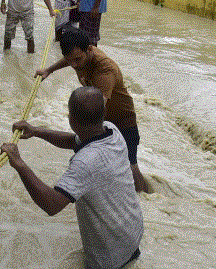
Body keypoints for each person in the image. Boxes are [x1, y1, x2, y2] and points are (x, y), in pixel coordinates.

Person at [0, 86, 143, 269]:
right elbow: (73, 141)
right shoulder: (112, 130)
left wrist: (19, 164)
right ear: (103, 113)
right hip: (133, 236)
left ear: (71, 120)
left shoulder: (85, 162)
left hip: (109, 259)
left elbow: (51, 205)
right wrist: (35, 131)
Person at [35, 27, 149, 193]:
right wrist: (48, 70)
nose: (74, 65)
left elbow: (97, 105)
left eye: (77, 60)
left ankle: (146, 199)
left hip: (123, 120)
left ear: (89, 50)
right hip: (102, 119)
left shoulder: (104, 69)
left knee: (130, 166)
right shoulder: (79, 55)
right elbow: (70, 59)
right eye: (70, 60)